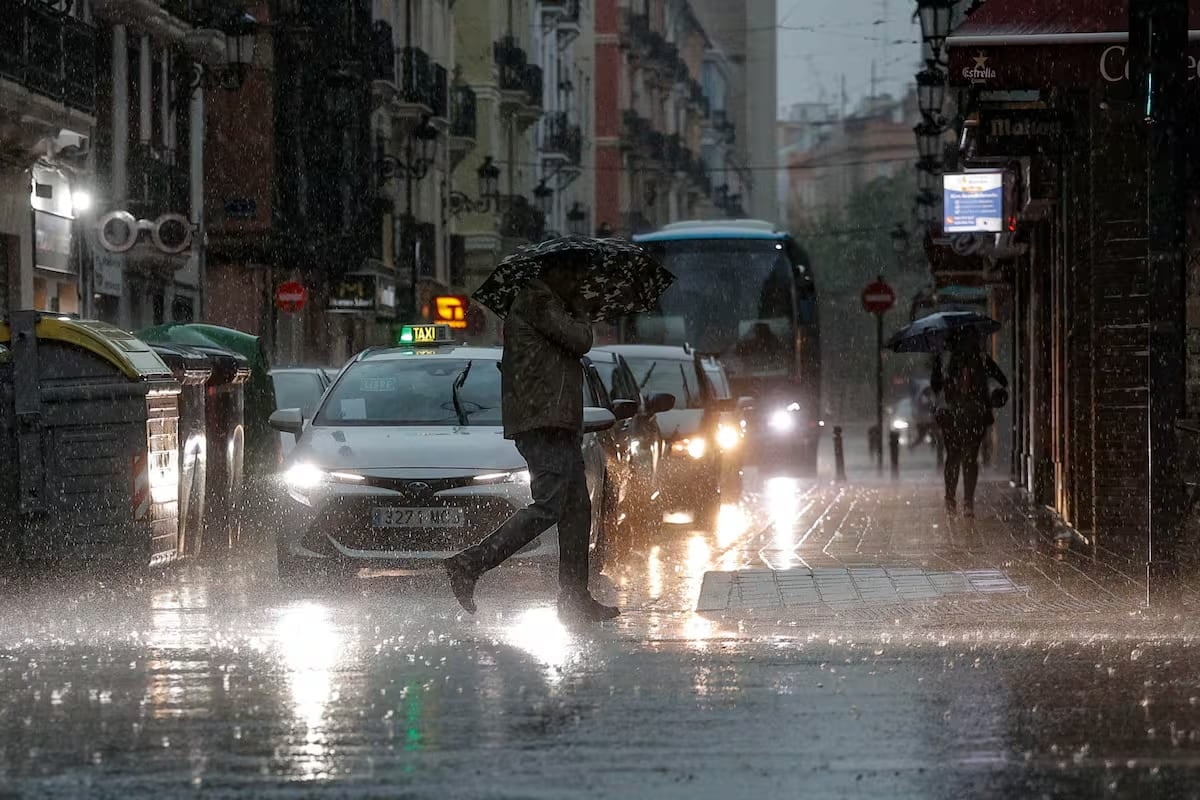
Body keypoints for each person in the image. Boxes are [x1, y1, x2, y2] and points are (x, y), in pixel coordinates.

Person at [444, 259, 620, 623]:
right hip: (543, 422)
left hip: (556, 421)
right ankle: (470, 563)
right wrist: (582, 311)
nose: (577, 282)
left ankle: (574, 598)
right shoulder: (539, 302)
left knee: (576, 509)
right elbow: (581, 340)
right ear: (553, 272)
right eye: (572, 274)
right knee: (550, 505)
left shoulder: (546, 304)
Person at [931, 329, 1007, 517]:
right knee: (969, 458)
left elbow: (935, 385)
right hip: (973, 414)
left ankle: (952, 500)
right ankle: (967, 502)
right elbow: (1001, 380)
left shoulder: (946, 357)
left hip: (954, 414)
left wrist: (945, 379)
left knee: (954, 456)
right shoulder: (979, 357)